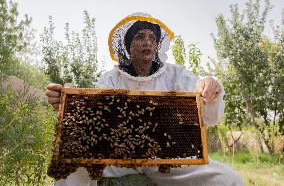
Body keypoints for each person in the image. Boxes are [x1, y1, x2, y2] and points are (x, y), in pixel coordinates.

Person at [46, 12, 244, 186]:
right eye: (140, 36)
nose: (148, 42)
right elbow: (92, 116)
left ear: (157, 45)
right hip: (116, 156)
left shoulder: (176, 76)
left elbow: (210, 116)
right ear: (127, 45)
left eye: (152, 37)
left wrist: (211, 88)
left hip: (165, 159)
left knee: (228, 179)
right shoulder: (110, 79)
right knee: (70, 166)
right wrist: (70, 102)